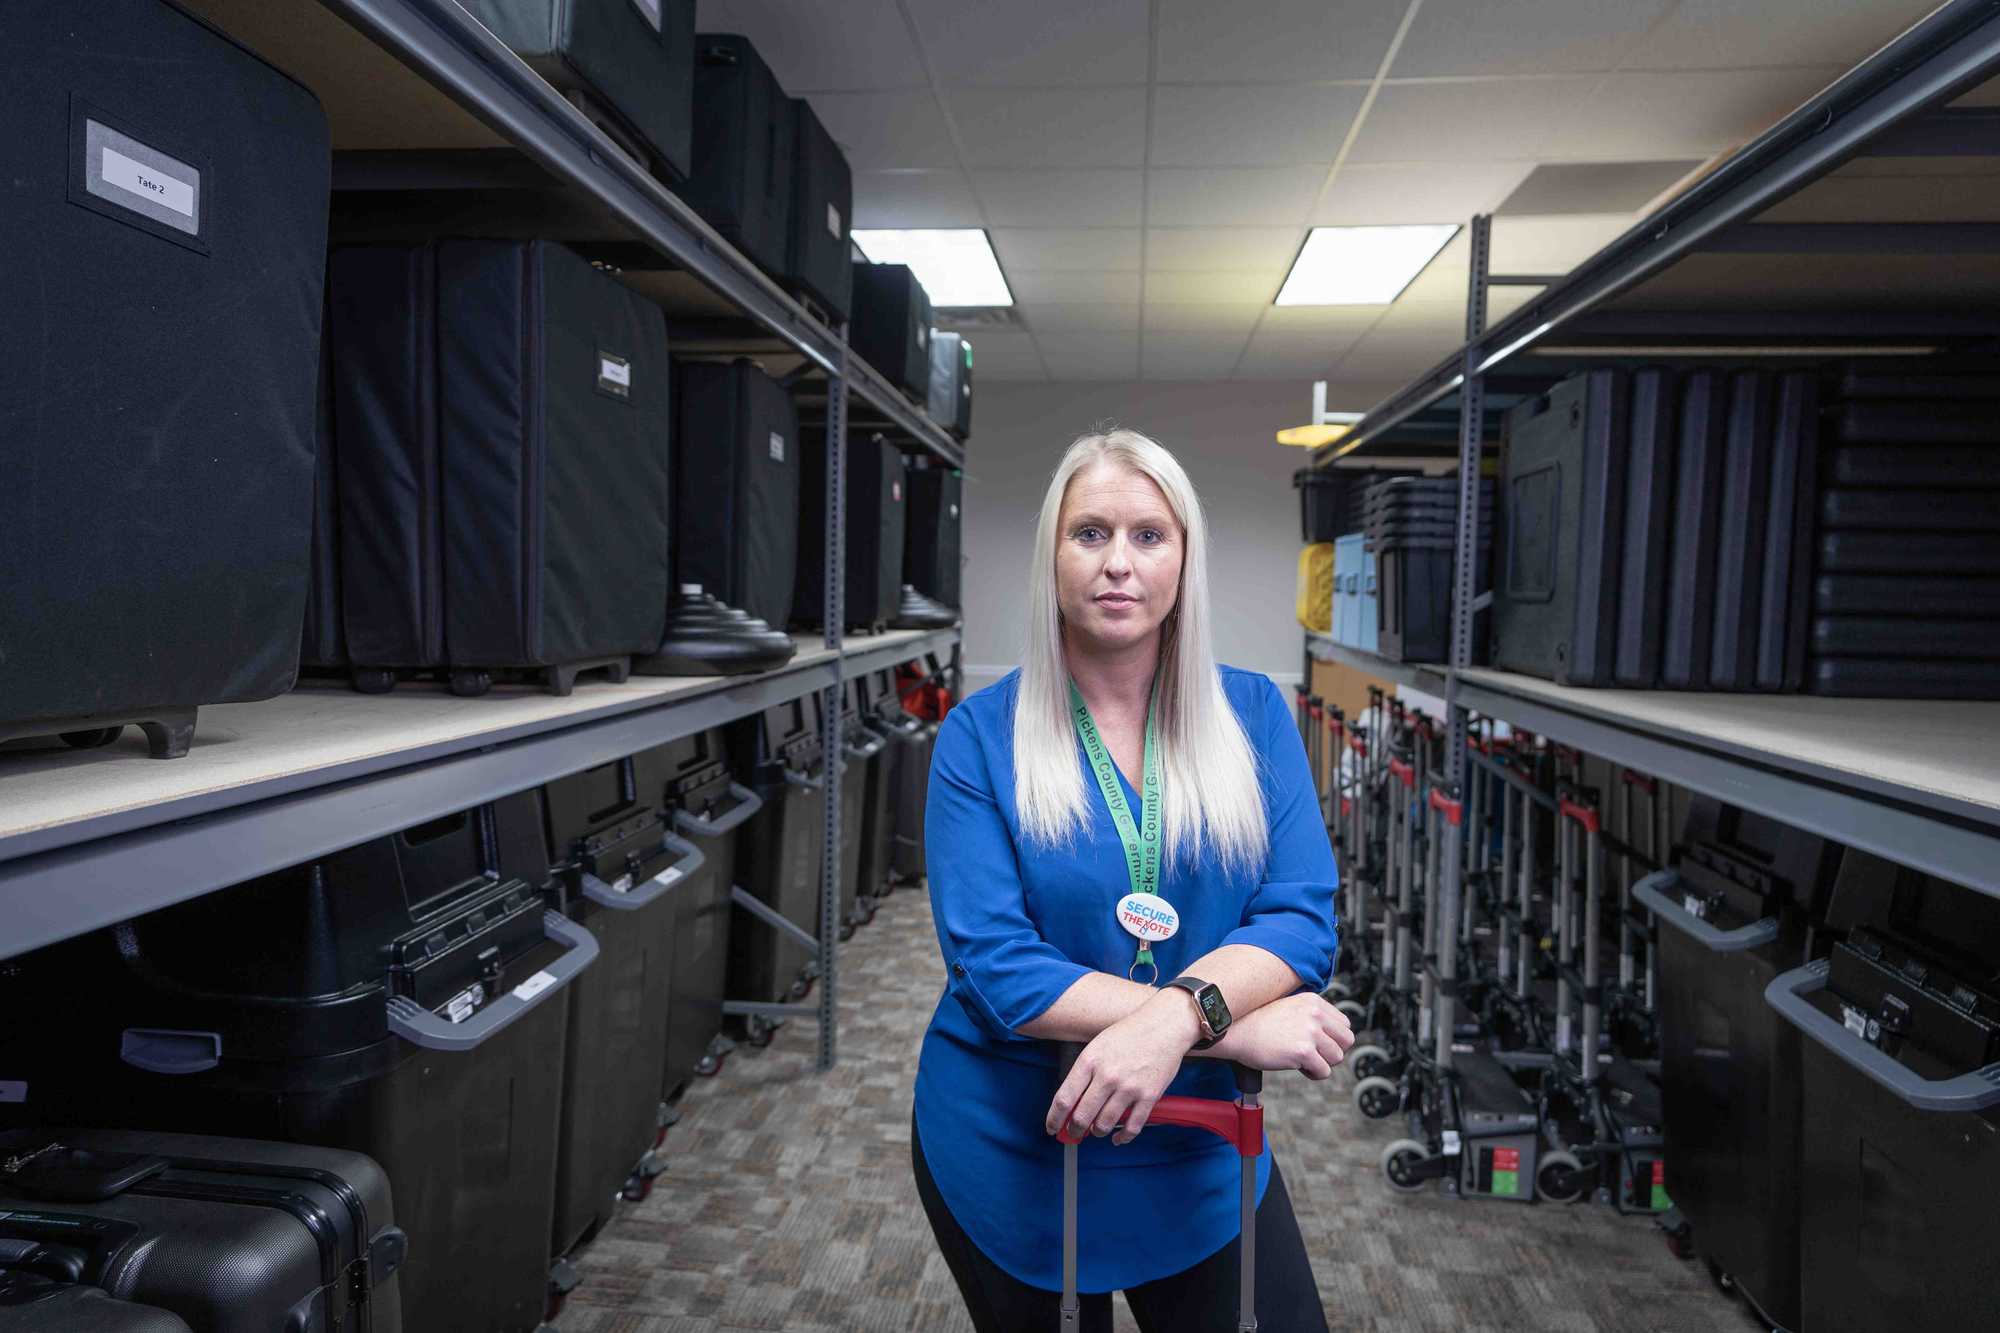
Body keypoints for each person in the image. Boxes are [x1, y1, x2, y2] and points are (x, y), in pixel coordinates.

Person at [912, 427, 1353, 1332]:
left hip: (1197, 1145)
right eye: (1091, 533)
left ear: (1185, 559)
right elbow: (997, 967)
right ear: (1054, 556)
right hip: (1016, 1140)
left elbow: (1300, 918)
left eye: (1149, 535)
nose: (1119, 562)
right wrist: (1228, 1028)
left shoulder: (1255, 715)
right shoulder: (978, 737)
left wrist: (1176, 1022)